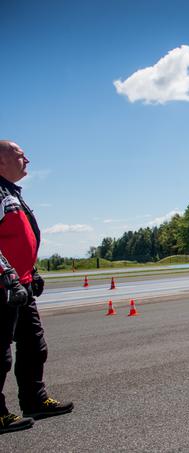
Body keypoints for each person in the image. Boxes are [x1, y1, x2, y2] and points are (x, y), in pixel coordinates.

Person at [0, 140, 73, 434]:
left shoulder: (11, 193)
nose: (27, 160)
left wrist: (32, 271)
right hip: (4, 287)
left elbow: (18, 239)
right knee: (0, 353)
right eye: (20, 155)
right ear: (2, 161)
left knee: (34, 346)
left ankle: (34, 400)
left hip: (22, 286)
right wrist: (6, 274)